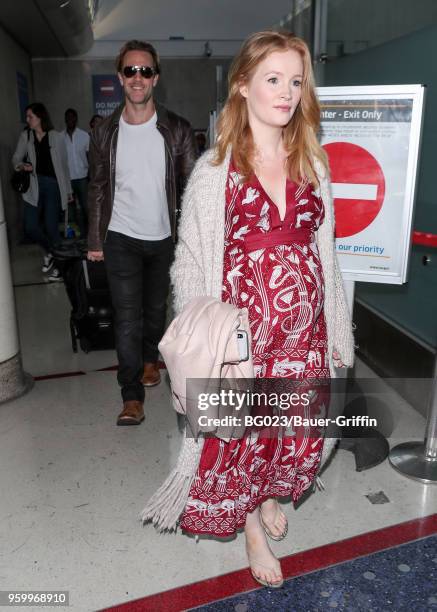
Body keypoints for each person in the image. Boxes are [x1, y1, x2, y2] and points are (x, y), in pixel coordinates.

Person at [141, 31, 354, 588]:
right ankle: (253, 527)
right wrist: (208, 340)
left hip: (303, 333)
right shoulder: (216, 171)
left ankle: (267, 497)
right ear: (242, 86)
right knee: (249, 434)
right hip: (246, 337)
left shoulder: (314, 160)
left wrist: (334, 328)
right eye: (273, 79)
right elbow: (189, 263)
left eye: (296, 81)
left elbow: (325, 255)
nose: (287, 93)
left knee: (296, 431)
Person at [87, 40, 197, 426]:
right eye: (131, 70)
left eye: (145, 71)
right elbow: (97, 185)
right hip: (120, 238)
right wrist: (95, 240)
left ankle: (151, 358)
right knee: (127, 318)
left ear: (156, 79)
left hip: (164, 238)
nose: (138, 77)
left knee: (155, 311)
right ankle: (131, 395)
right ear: (120, 78)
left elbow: (192, 188)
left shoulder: (177, 129)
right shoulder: (105, 131)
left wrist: (192, 239)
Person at [12, 102, 72, 282]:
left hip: (53, 186)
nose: (27, 119)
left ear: (40, 117)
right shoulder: (26, 136)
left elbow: (64, 166)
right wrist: (22, 165)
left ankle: (61, 269)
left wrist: (68, 190)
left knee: (52, 228)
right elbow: (16, 157)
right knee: (30, 226)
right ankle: (50, 252)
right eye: (27, 116)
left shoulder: (56, 137)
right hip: (34, 187)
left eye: (30, 116)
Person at [63, 108, 90, 238]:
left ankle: (90, 234)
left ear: (76, 119)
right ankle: (76, 235)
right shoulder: (60, 138)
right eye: (68, 117)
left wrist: (91, 174)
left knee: (86, 208)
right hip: (68, 180)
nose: (70, 120)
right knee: (71, 210)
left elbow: (89, 157)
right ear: (65, 120)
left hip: (83, 178)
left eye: (72, 117)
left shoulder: (84, 136)